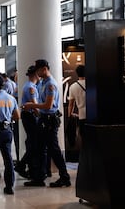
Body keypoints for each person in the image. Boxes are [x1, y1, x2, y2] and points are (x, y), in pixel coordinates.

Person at [23, 59, 71, 187]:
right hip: (44, 119)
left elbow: (48, 105)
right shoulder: (43, 82)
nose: (37, 73)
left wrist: (32, 105)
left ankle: (64, 177)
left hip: (49, 120)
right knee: (39, 149)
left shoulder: (50, 84)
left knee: (53, 149)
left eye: (38, 70)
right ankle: (39, 177)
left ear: (44, 69)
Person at [15, 65, 40, 180]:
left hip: (27, 115)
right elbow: (34, 105)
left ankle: (24, 165)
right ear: (36, 74)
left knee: (32, 141)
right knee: (34, 143)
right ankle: (21, 165)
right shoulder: (31, 88)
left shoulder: (27, 86)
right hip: (30, 116)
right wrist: (40, 115)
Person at [67, 64, 86, 138]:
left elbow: (71, 104)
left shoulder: (73, 86)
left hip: (81, 115)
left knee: (84, 137)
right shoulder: (92, 83)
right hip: (93, 115)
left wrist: (70, 115)